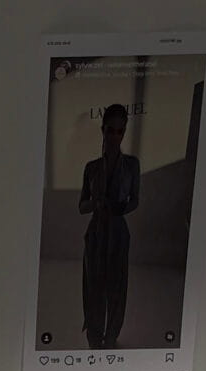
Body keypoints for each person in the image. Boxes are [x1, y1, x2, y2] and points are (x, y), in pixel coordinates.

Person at [78, 104, 140, 348]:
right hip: (96, 233)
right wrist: (95, 202)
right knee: (94, 286)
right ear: (102, 130)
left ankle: (112, 335)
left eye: (120, 131)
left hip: (118, 232)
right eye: (110, 130)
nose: (115, 136)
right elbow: (81, 206)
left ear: (124, 132)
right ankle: (94, 335)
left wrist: (120, 208)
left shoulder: (132, 165)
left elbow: (135, 200)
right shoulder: (91, 167)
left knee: (117, 287)